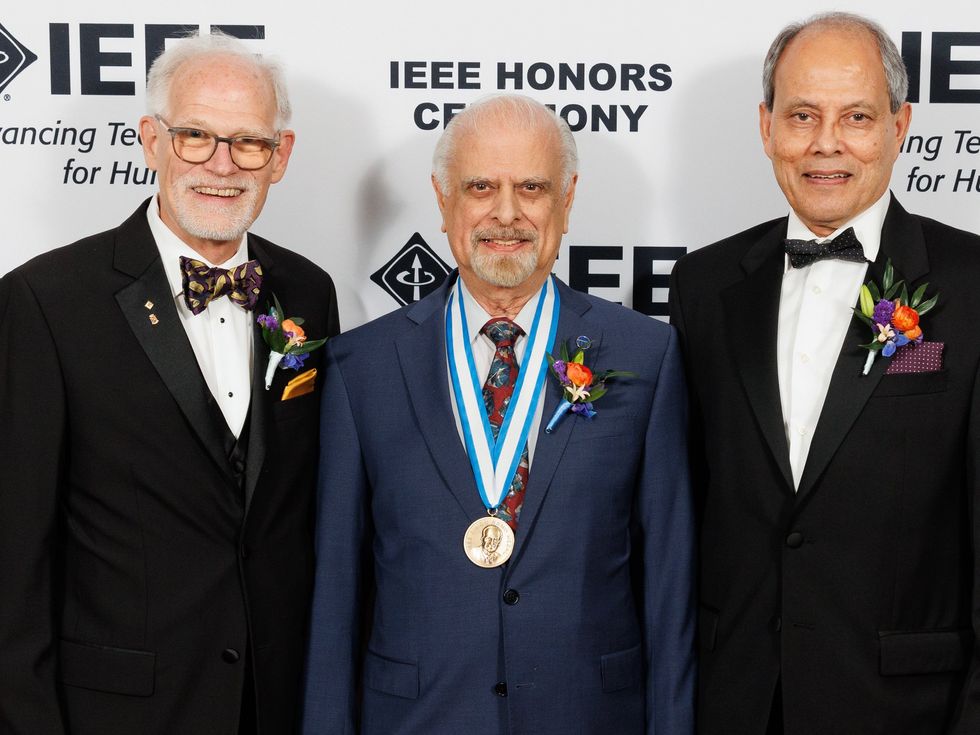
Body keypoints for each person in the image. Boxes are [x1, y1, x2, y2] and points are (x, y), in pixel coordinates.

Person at [301, 94, 694, 734]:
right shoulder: (361, 368)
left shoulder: (647, 356)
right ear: (442, 198)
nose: (505, 213)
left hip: (590, 717)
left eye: (531, 188)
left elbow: (670, 586)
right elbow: (335, 595)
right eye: (480, 186)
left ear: (566, 201)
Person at [0, 32, 339, 735]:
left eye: (249, 142)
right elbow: (12, 559)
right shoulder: (45, 301)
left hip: (274, 704)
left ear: (281, 157)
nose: (223, 164)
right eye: (195, 137)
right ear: (152, 140)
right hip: (115, 713)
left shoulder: (308, 292)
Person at [669, 12, 980, 734]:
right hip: (736, 702)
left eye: (857, 116)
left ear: (901, 126)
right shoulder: (704, 285)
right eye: (802, 114)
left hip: (909, 711)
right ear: (766, 125)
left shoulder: (972, 289)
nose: (826, 142)